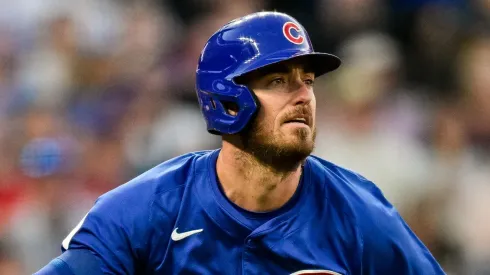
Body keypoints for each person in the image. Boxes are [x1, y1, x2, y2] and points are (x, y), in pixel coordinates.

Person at [35, 12, 446, 274]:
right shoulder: (145, 209)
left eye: (308, 81)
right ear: (227, 100)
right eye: (278, 81)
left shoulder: (358, 212)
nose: (303, 95)